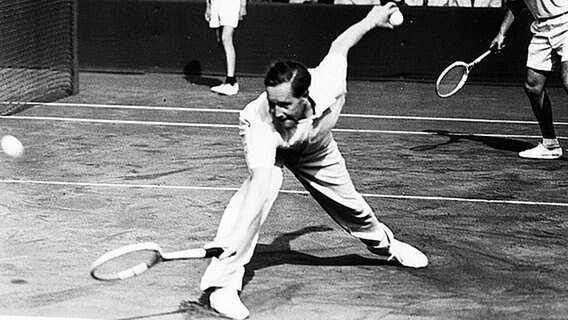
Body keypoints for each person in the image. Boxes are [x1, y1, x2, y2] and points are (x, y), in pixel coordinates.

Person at [198, 4, 428, 319]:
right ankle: (221, 286)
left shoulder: (327, 81)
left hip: (315, 149)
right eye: (271, 102)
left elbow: (341, 45)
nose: (277, 111)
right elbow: (260, 186)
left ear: (304, 96)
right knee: (257, 196)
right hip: (275, 146)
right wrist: (236, 238)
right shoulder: (262, 123)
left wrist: (372, 19)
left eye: (284, 104)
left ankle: (388, 248)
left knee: (354, 208)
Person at [491, 0, 568, 159]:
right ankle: (550, 144)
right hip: (542, 28)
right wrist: (501, 33)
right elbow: (515, 3)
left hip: (566, 21)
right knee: (533, 86)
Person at [205, 0, 247, 96]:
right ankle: (231, 81)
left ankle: (230, 82)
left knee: (226, 39)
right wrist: (208, 6)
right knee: (220, 40)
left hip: (230, 4)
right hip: (216, 4)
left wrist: (243, 5)